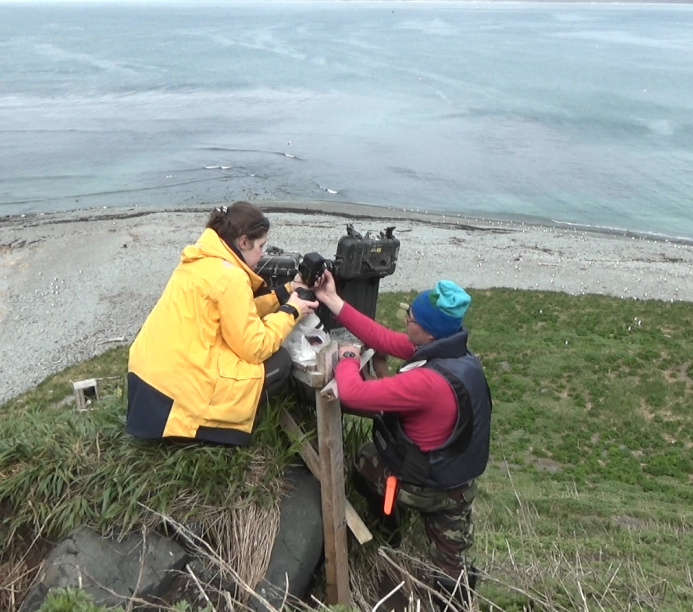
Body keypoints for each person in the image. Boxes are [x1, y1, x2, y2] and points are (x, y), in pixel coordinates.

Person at [313, 271, 492, 595]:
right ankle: (456, 599)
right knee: (452, 565)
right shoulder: (456, 355)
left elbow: (352, 394)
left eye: (409, 317)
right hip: (460, 484)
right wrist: (332, 299)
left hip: (425, 483)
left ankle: (388, 525)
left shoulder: (425, 383)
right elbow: (383, 338)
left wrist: (348, 358)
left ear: (427, 331)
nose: (405, 320)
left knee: (366, 458)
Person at [126, 201, 318, 446]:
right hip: (179, 394)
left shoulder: (200, 259)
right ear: (243, 242)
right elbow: (255, 348)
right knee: (280, 360)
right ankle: (206, 432)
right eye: (261, 246)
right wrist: (291, 311)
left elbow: (236, 312)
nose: (263, 254)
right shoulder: (231, 276)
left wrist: (285, 292)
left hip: (149, 382)